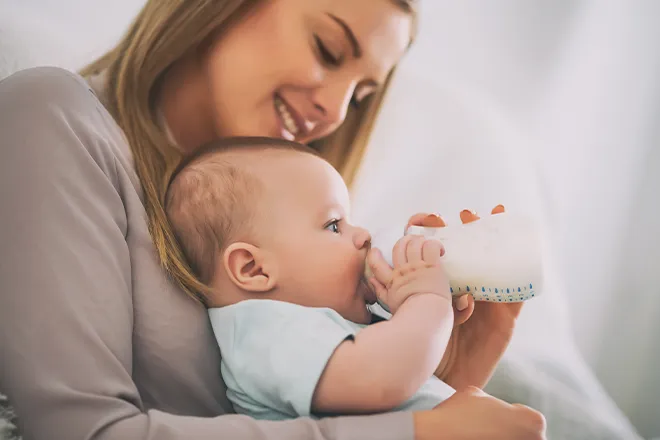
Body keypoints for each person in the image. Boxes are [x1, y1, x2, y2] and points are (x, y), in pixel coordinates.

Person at [0, 0, 546, 439]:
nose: (334, 111)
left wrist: (455, 367)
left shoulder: (286, 222)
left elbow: (326, 403)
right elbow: (80, 431)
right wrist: (418, 431)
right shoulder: (52, 117)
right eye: (328, 50)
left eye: (361, 95)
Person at [165, 137, 457, 420]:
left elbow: (428, 399)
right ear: (254, 269)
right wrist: (428, 302)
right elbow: (381, 380)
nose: (364, 234)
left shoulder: (317, 323)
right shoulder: (262, 331)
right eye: (333, 226)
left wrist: (424, 307)